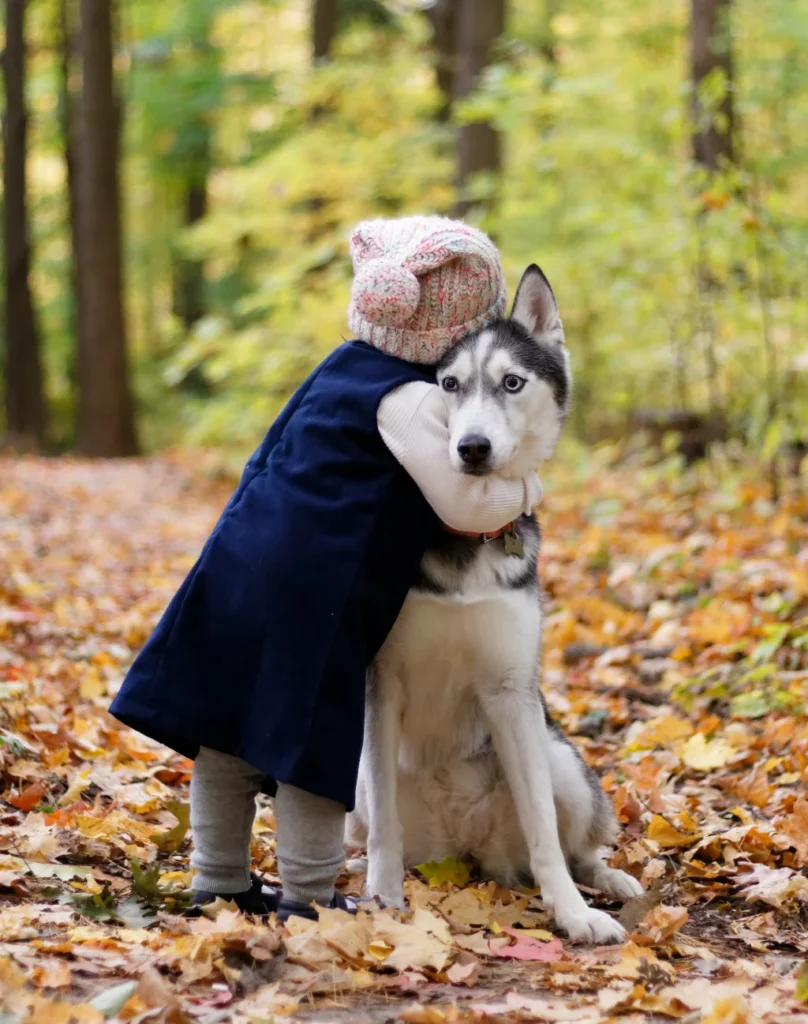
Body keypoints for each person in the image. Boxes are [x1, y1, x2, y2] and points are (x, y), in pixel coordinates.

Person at [109, 216, 543, 921]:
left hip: (235, 563)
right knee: (310, 740)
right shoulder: (413, 401)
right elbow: (464, 506)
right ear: (457, 326)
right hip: (316, 590)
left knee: (224, 734)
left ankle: (216, 879)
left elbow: (267, 456)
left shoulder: (335, 368)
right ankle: (309, 896)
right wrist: (528, 491)